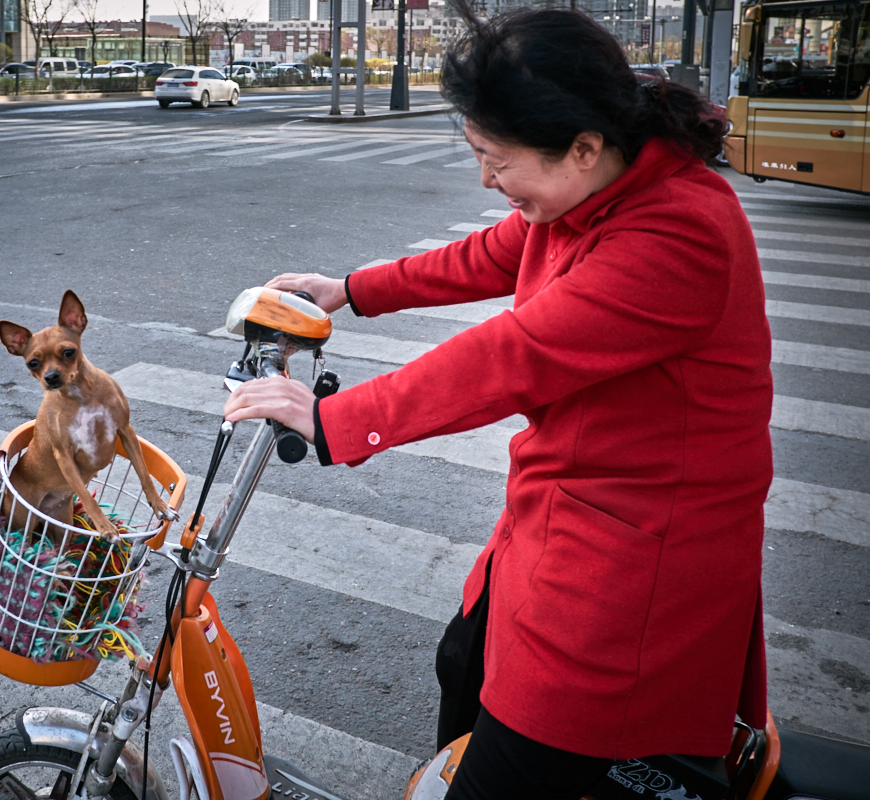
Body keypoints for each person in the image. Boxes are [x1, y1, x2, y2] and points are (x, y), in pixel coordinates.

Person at [223, 7, 772, 800]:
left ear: (581, 148)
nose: (486, 179)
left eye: (495, 159)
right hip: (561, 514)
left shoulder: (678, 234)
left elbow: (512, 356)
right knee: (463, 664)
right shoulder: (596, 185)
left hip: (630, 573)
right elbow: (492, 250)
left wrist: (330, 417)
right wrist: (349, 290)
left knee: (507, 770)